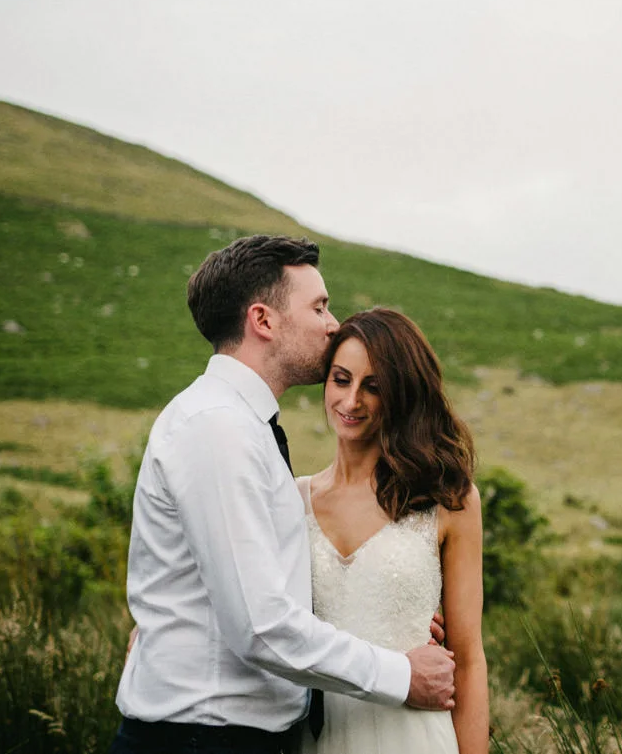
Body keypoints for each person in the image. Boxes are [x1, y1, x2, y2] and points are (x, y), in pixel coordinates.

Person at [113, 236, 457, 754]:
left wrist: (391, 606)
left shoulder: (243, 427)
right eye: (318, 306)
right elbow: (260, 625)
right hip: (203, 740)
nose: (333, 323)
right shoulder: (218, 429)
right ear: (264, 321)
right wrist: (400, 673)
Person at [298, 308, 487, 754]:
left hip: (416, 737)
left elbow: (470, 660)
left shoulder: (447, 500)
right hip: (316, 737)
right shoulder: (289, 500)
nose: (351, 401)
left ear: (402, 394)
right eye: (341, 379)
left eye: (374, 387)